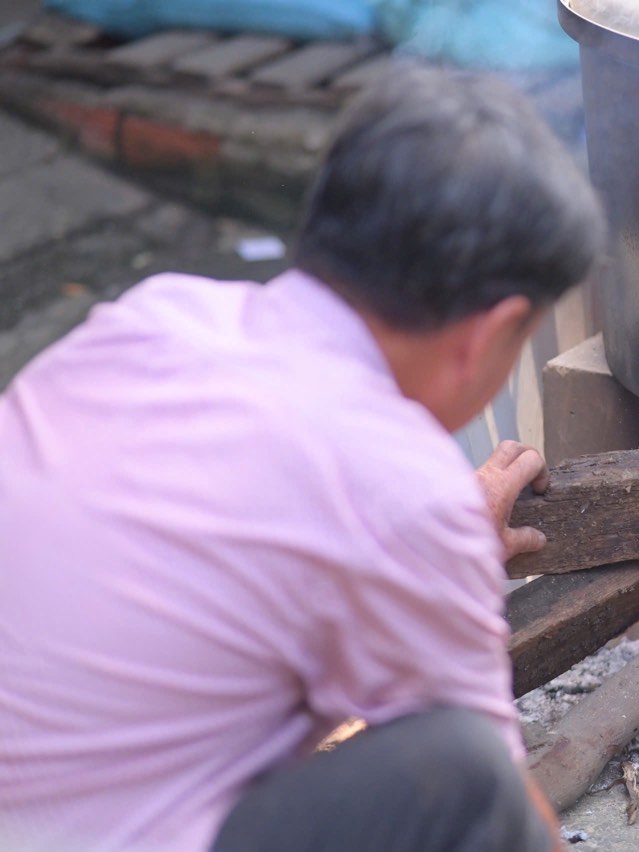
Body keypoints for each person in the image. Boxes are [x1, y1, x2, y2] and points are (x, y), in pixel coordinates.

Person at [0, 62, 605, 851]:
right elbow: (501, 805)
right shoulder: (398, 489)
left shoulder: (155, 316)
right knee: (461, 776)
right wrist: (433, 543)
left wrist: (429, 550)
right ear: (491, 334)